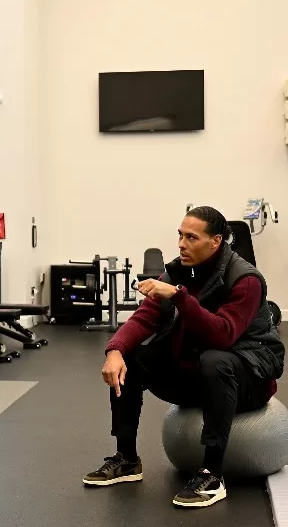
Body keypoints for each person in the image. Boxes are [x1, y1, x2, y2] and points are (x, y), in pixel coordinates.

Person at [82, 206, 284, 508]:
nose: (181, 244)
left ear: (216, 242)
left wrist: (178, 296)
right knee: (133, 359)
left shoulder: (245, 280)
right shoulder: (178, 271)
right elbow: (145, 317)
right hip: (200, 375)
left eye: (191, 237)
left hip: (248, 381)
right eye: (180, 235)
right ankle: (126, 459)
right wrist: (115, 350)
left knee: (216, 359)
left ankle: (212, 475)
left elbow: (223, 335)